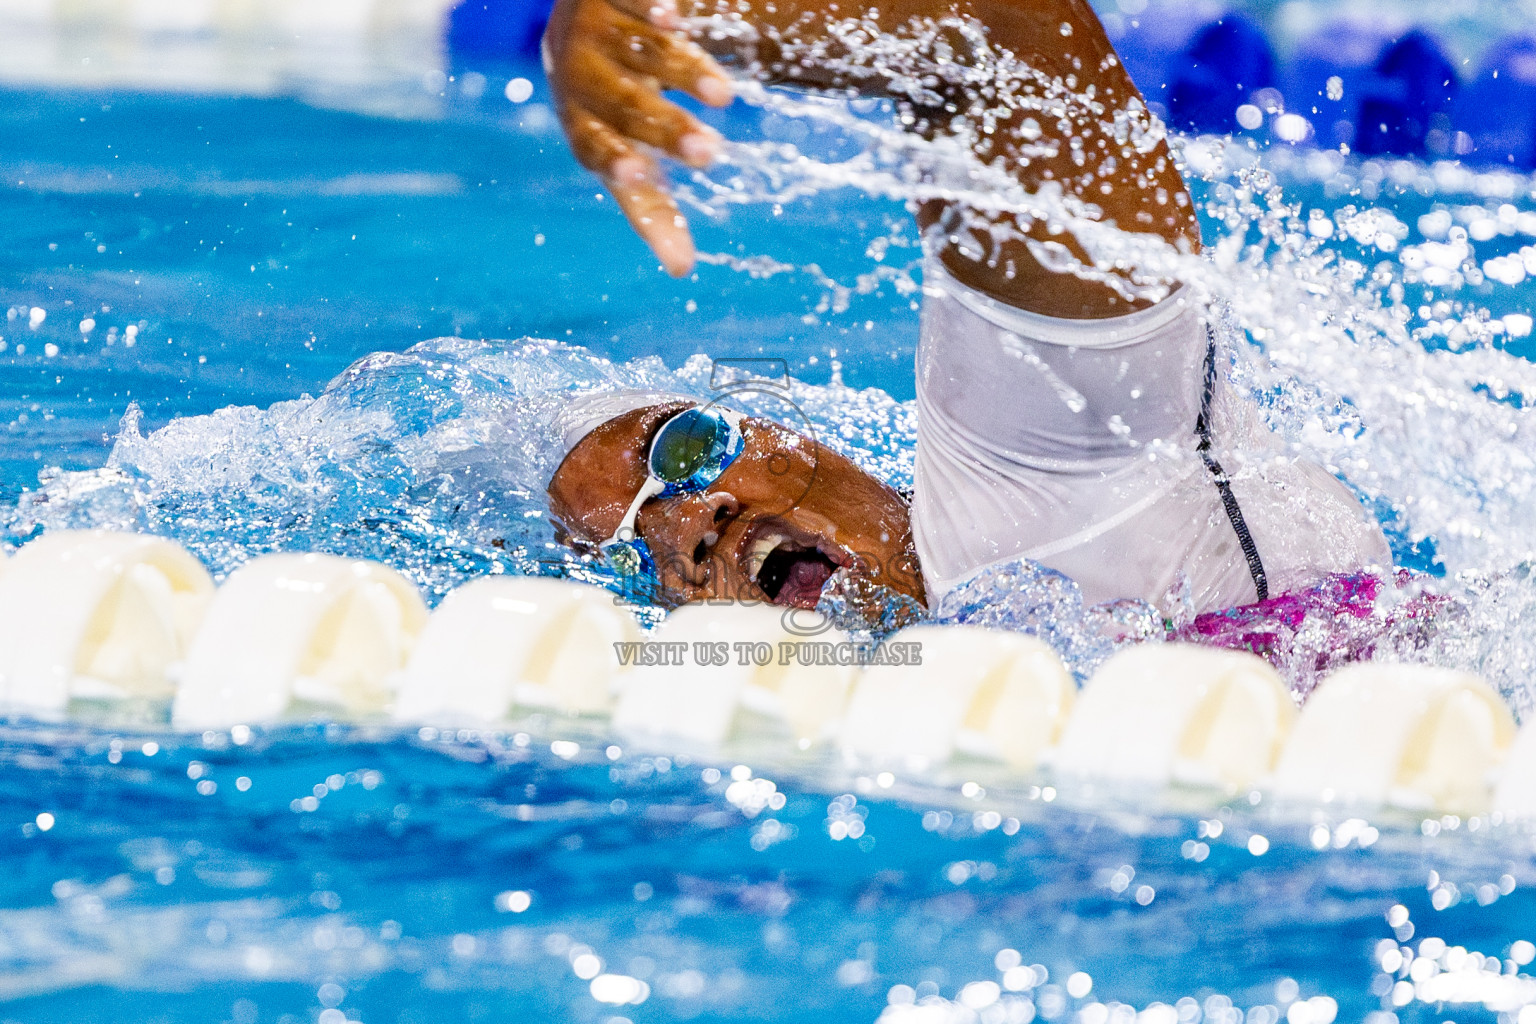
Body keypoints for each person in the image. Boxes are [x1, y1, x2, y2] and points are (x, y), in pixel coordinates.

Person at [540, 0, 1392, 614]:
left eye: (685, 449)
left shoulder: (1031, 455)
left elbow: (1000, 40)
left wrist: (682, 14)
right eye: (632, 542)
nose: (694, 520)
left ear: (790, 435)